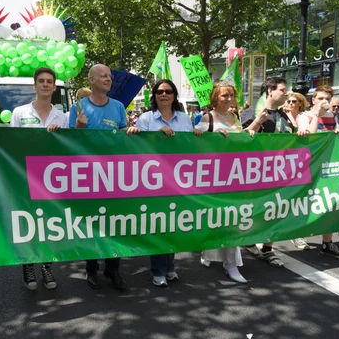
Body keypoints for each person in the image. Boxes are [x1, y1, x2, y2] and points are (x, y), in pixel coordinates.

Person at [126, 79, 193, 287]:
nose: (164, 95)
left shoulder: (184, 118)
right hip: (153, 181)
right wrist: (155, 135)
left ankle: (170, 266)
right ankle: (158, 270)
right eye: (160, 91)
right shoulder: (145, 119)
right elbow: (139, 147)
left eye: (169, 91)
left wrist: (200, 134)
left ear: (174, 95)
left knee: (173, 225)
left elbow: (191, 146)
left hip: (178, 180)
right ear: (154, 96)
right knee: (158, 225)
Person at [69, 64, 129, 291]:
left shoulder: (119, 107)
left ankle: (113, 269)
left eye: (110, 77)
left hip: (115, 176)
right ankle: (91, 267)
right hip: (88, 176)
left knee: (115, 223)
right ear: (91, 80)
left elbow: (124, 137)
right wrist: (78, 127)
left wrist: (129, 133)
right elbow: (69, 143)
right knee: (92, 224)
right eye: (103, 76)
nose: (108, 79)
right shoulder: (79, 107)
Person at [10, 67, 66, 290]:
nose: (45, 84)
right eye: (41, 81)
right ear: (34, 86)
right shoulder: (19, 112)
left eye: (49, 81)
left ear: (54, 86)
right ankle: (28, 265)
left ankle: (47, 266)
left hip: (53, 181)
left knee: (50, 224)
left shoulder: (62, 116)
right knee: (28, 223)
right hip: (26, 178)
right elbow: (10, 145)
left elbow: (68, 150)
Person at [195, 82, 257, 283]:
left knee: (232, 221)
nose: (228, 99)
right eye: (224, 96)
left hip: (235, 177)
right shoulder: (207, 118)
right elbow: (194, 146)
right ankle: (208, 251)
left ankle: (230, 264)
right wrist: (210, 136)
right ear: (215, 97)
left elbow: (238, 145)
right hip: (213, 179)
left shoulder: (235, 118)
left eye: (231, 95)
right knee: (214, 219)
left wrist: (249, 133)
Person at [240, 77, 294, 268]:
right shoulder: (251, 111)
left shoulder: (284, 116)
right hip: (255, 173)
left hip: (280, 172)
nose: (286, 93)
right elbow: (242, 139)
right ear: (270, 91)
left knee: (277, 209)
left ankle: (268, 248)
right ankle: (247, 239)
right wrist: (257, 121)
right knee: (255, 210)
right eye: (282, 89)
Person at [297, 85, 339, 259]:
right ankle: (299, 235)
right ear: (313, 100)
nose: (324, 102)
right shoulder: (304, 116)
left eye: (327, 99)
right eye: (320, 98)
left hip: (327, 166)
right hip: (308, 167)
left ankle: (327, 242)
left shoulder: (332, 117)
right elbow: (311, 136)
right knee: (304, 202)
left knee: (329, 203)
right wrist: (317, 116)